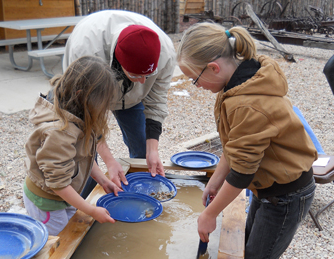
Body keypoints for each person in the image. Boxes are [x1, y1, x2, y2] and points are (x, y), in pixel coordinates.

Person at [177, 22, 318, 259]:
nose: (197, 86)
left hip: (286, 194)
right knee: (245, 244)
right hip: (268, 188)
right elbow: (234, 147)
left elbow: (242, 172)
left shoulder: (247, 104)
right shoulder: (236, 83)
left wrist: (210, 214)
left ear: (213, 68)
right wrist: (215, 182)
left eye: (194, 79)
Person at [63, 10, 176, 198]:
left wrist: (153, 149)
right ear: (118, 62)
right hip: (92, 84)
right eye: (135, 75)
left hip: (131, 99)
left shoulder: (166, 53)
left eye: (147, 76)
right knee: (87, 158)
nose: (142, 82)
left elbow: (156, 101)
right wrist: (109, 161)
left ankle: (140, 194)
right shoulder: (86, 51)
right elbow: (84, 113)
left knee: (143, 146)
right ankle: (87, 204)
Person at [23, 56, 122, 236]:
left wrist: (104, 180)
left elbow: (84, 157)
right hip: (46, 201)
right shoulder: (59, 132)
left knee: (71, 230)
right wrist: (91, 210)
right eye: (102, 104)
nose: (104, 110)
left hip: (63, 196)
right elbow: (58, 183)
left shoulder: (78, 114)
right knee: (60, 242)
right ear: (80, 95)